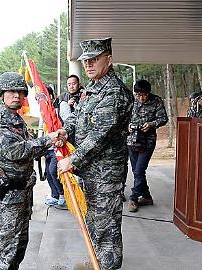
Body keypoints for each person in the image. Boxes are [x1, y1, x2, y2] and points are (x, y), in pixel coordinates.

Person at [58, 37, 134, 270]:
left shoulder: (113, 93)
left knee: (106, 226)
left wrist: (72, 159)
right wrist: (65, 130)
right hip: (93, 172)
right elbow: (79, 119)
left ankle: (106, 265)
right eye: (86, 61)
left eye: (94, 59)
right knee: (95, 222)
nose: (89, 65)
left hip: (106, 174)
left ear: (109, 60)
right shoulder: (91, 89)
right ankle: (97, 262)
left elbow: (100, 134)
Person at [0, 71, 66, 270]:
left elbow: (31, 147)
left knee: (18, 252)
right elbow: (17, 151)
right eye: (11, 91)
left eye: (20, 91)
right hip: (5, 202)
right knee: (4, 259)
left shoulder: (18, 122)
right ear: (1, 94)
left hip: (21, 197)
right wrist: (49, 139)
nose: (17, 95)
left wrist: (52, 141)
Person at [126, 79, 168, 213]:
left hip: (147, 141)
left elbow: (163, 118)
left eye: (143, 95)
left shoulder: (156, 101)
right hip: (131, 140)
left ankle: (134, 198)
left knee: (139, 170)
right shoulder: (131, 100)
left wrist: (151, 124)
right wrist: (128, 126)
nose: (141, 98)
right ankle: (147, 196)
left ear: (148, 93)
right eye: (138, 95)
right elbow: (124, 117)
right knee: (136, 171)